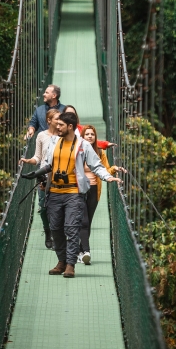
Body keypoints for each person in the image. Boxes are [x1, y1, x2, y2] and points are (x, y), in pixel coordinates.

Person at [43, 112, 122, 278]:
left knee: (71, 228)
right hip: (54, 192)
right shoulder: (54, 141)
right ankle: (61, 261)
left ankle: (70, 264)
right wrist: (40, 176)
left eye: (60, 125)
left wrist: (108, 177)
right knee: (55, 228)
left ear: (70, 127)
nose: (57, 127)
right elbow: (46, 163)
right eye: (57, 124)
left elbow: (96, 165)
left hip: (74, 192)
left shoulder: (83, 145)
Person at [78, 125, 126, 265]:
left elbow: (104, 170)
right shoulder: (78, 151)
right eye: (87, 134)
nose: (90, 136)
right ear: (82, 136)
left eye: (92, 134)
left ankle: (81, 252)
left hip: (94, 189)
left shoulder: (100, 152)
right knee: (83, 221)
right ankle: (86, 251)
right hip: (79, 189)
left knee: (88, 221)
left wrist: (114, 169)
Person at [19, 109, 60, 249]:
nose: (60, 121)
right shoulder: (41, 135)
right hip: (43, 176)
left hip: (58, 178)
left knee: (56, 209)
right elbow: (37, 157)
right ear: (49, 121)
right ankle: (47, 231)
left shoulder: (64, 136)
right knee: (43, 209)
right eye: (57, 119)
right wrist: (27, 160)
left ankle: (55, 235)